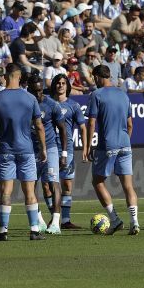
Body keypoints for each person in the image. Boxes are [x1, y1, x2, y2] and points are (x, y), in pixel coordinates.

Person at [0, 63, 47, 241]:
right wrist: (43, 149)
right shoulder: (30, 99)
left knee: (5, 192)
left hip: (5, 151)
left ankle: (3, 231)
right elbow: (39, 126)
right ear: (19, 76)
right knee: (30, 192)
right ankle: (34, 230)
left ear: (6, 75)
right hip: (26, 151)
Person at [85, 64, 139, 235]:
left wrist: (88, 146)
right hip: (125, 143)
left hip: (107, 144)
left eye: (94, 78)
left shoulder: (96, 95)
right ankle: (135, 222)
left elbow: (92, 122)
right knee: (128, 186)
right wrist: (125, 141)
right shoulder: (123, 95)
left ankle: (115, 220)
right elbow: (130, 124)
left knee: (97, 181)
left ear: (98, 77)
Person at [26, 73, 68, 235]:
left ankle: (56, 222)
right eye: (34, 91)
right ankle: (39, 219)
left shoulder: (51, 104)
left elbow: (63, 129)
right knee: (31, 184)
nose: (38, 94)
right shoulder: (25, 104)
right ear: (28, 89)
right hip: (30, 150)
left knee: (53, 182)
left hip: (50, 148)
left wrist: (63, 153)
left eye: (39, 90)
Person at [50, 74, 87, 229]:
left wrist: (85, 148)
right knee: (50, 185)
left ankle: (65, 220)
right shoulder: (47, 104)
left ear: (67, 86)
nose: (60, 85)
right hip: (50, 148)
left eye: (63, 83)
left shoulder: (74, 106)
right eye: (58, 83)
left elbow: (83, 128)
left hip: (68, 150)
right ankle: (54, 219)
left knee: (67, 185)